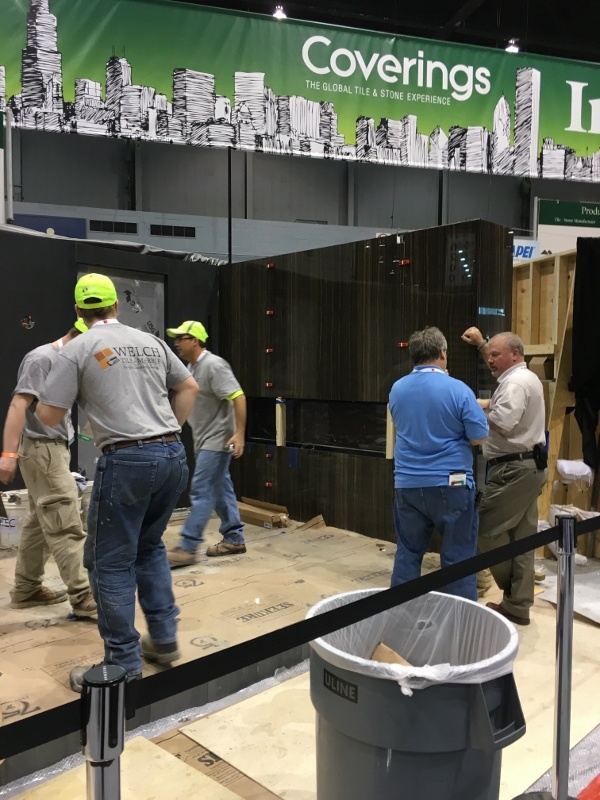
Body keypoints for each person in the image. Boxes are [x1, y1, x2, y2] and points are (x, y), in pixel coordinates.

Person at [36, 274, 199, 691]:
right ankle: (163, 640)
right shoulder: (152, 341)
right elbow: (188, 386)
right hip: (172, 456)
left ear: (78, 311)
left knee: (107, 561)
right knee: (148, 547)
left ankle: (123, 665)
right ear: (116, 307)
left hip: (126, 460)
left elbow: (49, 417)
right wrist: (166, 433)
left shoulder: (77, 348)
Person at [0, 320, 96, 618]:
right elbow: (18, 404)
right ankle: (83, 595)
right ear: (79, 338)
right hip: (42, 450)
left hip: (54, 449)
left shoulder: (71, 361)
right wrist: (8, 454)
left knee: (39, 521)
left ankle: (26, 589)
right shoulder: (42, 358)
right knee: (64, 519)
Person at [389, 326, 489, 600]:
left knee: (408, 553)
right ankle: (461, 626)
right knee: (458, 557)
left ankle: (399, 618)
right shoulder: (458, 389)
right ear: (443, 353)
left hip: (407, 484)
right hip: (452, 482)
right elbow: (479, 437)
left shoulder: (397, 389)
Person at [461, 327, 548, 625]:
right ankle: (518, 606)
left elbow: (502, 423)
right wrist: (482, 344)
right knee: (522, 540)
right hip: (529, 468)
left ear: (515, 355)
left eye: (496, 355)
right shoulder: (524, 378)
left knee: (485, 529)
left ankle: (512, 592)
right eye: (490, 354)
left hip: (513, 470)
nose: (490, 360)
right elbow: (504, 411)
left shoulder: (514, 384)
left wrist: (469, 408)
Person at [165, 320, 247, 567]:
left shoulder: (214, 365)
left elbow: (238, 396)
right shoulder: (190, 368)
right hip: (204, 439)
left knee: (202, 489)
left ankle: (188, 547)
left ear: (195, 340)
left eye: (181, 338)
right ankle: (234, 538)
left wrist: (239, 433)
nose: (176, 343)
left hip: (217, 439)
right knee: (221, 488)